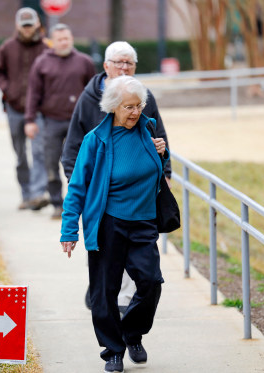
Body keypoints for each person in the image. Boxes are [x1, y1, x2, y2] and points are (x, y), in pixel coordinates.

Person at [60, 75, 167, 373]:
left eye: (139, 105)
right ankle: (113, 350)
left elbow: (154, 169)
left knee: (151, 282)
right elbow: (77, 187)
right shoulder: (96, 140)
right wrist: (69, 230)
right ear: (113, 107)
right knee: (104, 291)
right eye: (129, 107)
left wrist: (163, 153)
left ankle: (131, 333)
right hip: (109, 223)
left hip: (144, 222)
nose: (136, 112)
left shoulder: (147, 129)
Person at [62, 41, 172, 314]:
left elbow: (158, 137)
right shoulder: (89, 101)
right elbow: (75, 144)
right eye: (119, 63)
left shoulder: (143, 99)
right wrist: (76, 181)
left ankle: (125, 311)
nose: (124, 68)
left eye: (129, 63)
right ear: (106, 66)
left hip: (139, 209)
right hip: (101, 196)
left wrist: (164, 165)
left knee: (144, 276)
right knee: (107, 269)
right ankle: (108, 300)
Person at [24, 24, 96, 219]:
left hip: (80, 122)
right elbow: (33, 93)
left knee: (83, 162)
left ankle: (84, 201)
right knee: (51, 163)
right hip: (52, 121)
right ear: (52, 42)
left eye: (67, 39)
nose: (64, 42)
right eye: (60, 39)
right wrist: (30, 120)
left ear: (71, 39)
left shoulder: (84, 62)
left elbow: (95, 93)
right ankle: (58, 204)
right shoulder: (41, 63)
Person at [0, 7, 50, 211]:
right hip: (15, 108)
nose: (27, 29)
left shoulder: (45, 48)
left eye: (30, 25)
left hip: (38, 111)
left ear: (37, 24)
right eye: (23, 25)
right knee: (20, 154)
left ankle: (37, 194)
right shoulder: (6, 48)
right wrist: (9, 90)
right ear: (18, 26)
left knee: (39, 151)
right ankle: (26, 194)